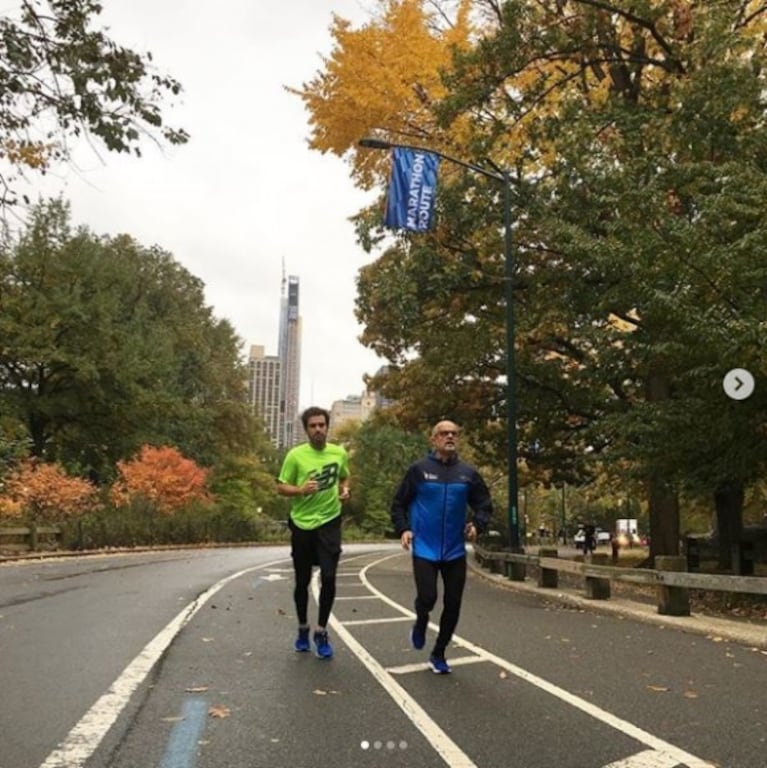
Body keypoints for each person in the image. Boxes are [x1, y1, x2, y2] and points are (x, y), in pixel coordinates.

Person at [390, 419, 493, 674]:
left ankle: (439, 652)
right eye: (444, 433)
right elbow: (398, 504)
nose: (450, 437)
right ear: (433, 439)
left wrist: (477, 525)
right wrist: (404, 528)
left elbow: (484, 504)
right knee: (428, 597)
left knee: (453, 602)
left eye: (454, 433)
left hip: (454, 549)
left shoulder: (467, 474)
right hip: (425, 546)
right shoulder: (419, 470)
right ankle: (421, 619)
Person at [277, 406, 350, 659]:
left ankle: (321, 630)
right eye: (313, 426)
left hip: (329, 522)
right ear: (306, 429)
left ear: (327, 427)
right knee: (302, 580)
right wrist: (299, 490)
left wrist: (345, 490)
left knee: (329, 578)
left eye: (322, 425)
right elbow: (281, 487)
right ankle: (302, 627)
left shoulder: (339, 453)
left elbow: (344, 477)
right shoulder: (295, 456)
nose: (318, 429)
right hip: (302, 524)